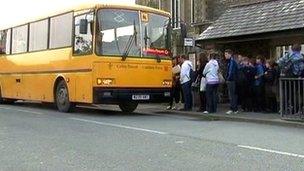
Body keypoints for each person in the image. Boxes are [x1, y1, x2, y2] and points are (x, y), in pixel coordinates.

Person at [224, 49, 239, 115]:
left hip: (232, 80)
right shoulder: (231, 61)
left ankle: (233, 108)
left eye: (226, 54)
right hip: (233, 80)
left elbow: (231, 72)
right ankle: (234, 109)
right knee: (233, 95)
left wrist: (227, 79)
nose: (225, 56)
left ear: (230, 54)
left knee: (232, 95)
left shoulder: (232, 62)